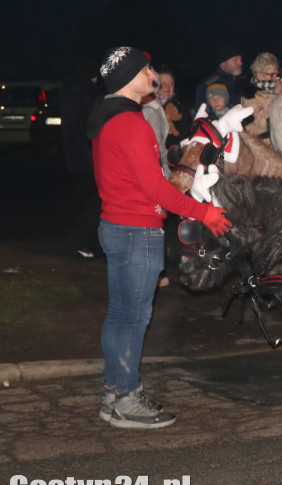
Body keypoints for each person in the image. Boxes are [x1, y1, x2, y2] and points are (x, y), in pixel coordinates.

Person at [87, 46, 232, 429]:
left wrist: (177, 158)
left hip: (116, 225)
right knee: (135, 317)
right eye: (146, 69)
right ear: (128, 77)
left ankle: (113, 393)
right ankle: (127, 399)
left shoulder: (108, 118)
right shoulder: (131, 123)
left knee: (121, 314)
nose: (152, 74)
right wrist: (205, 212)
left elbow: (136, 175)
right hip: (137, 230)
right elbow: (155, 189)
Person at [61, 58, 104, 259]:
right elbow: (91, 128)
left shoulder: (68, 92)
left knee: (84, 200)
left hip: (73, 156)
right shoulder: (89, 95)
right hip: (90, 158)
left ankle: (86, 243)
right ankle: (90, 245)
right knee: (94, 202)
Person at [239, 52, 282, 138]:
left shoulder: (276, 89)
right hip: (261, 144)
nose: (275, 78)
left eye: (277, 74)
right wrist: (275, 95)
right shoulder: (248, 95)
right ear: (259, 75)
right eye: (272, 74)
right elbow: (265, 122)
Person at [193, 45, 244, 115]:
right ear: (223, 64)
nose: (240, 63)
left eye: (240, 59)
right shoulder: (207, 85)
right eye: (235, 59)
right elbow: (201, 117)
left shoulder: (243, 83)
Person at [155, 68, 183, 144]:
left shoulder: (179, 109)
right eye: (163, 83)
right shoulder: (146, 106)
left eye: (171, 84)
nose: (167, 87)